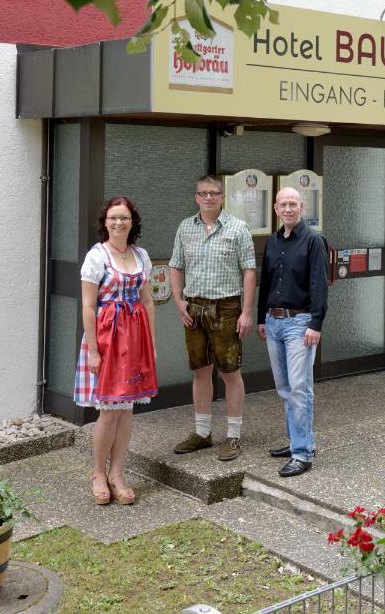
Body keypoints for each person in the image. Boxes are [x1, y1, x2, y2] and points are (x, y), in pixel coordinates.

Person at [74, 196, 158, 505]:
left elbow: (147, 302)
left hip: (135, 338)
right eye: (113, 218)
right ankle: (98, 472)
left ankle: (118, 472)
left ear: (132, 222)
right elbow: (87, 306)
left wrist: (152, 344)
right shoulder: (97, 257)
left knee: (127, 409)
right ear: (105, 222)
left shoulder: (140, 255)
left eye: (123, 217)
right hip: (108, 337)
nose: (118, 222)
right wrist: (93, 350)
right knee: (109, 411)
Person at [169, 175, 256, 461]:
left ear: (222, 197)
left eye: (214, 193)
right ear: (196, 197)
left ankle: (233, 436)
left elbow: (249, 272)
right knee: (200, 371)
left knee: (230, 372)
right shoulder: (185, 227)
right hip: (193, 308)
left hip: (227, 308)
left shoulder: (238, 228)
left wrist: (246, 311)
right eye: (203, 193)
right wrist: (179, 300)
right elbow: (176, 266)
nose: (208, 198)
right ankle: (202, 433)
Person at [257, 187, 328, 477]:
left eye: (293, 204)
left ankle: (302, 454)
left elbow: (320, 285)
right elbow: (267, 279)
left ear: (301, 207)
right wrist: (262, 317)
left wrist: (316, 324)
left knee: (300, 388)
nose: (287, 209)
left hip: (301, 323)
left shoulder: (313, 241)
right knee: (285, 388)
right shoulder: (273, 241)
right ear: (275, 209)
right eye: (282, 205)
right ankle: (297, 441)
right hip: (274, 322)